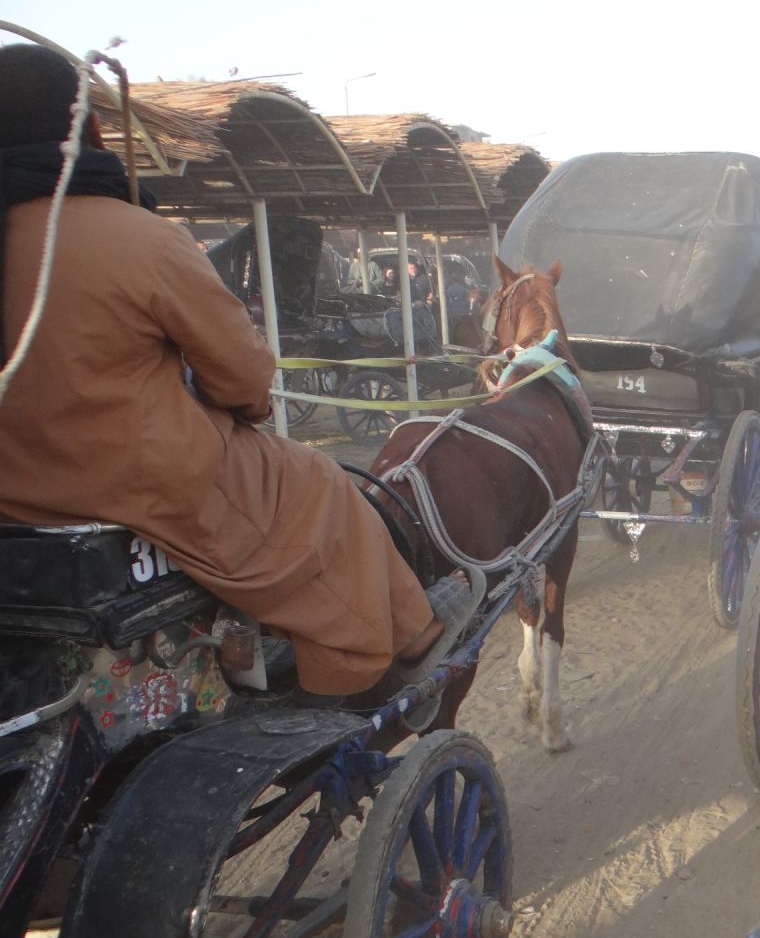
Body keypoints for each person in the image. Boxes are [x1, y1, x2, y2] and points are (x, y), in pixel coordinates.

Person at [0, 44, 469, 697]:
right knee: (319, 482)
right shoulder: (139, 237)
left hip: (17, 498)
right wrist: (242, 412)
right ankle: (376, 655)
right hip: (141, 485)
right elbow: (245, 378)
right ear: (90, 131)